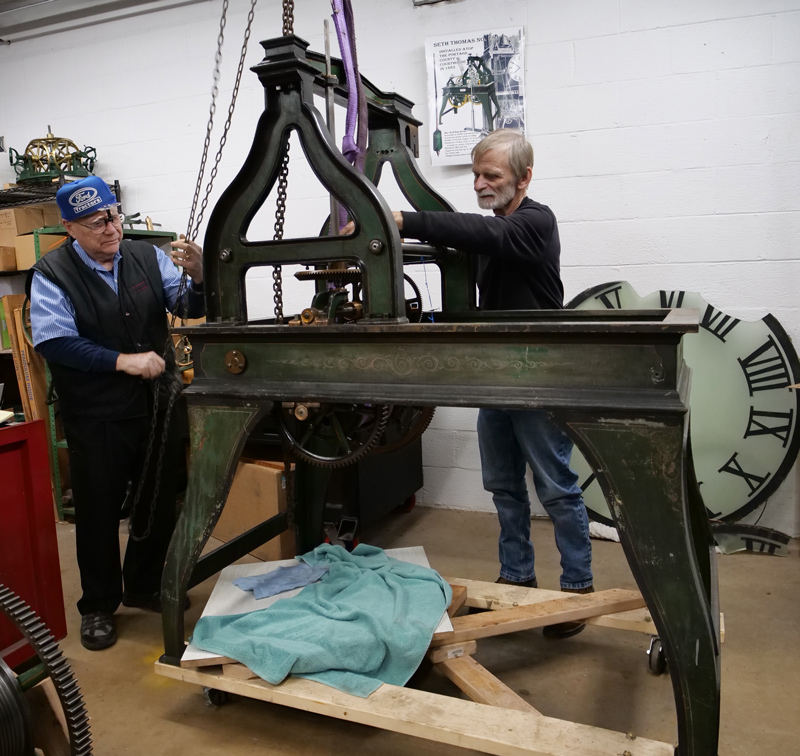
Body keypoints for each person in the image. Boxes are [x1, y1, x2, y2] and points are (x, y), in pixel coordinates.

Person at [393, 129, 593, 638]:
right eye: (476, 175)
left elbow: (488, 235)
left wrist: (404, 219)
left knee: (557, 488)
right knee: (503, 486)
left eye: (492, 175)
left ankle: (578, 589)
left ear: (524, 178)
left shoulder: (536, 222)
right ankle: (517, 577)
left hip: (538, 376)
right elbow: (473, 236)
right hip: (497, 376)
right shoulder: (493, 228)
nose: (480, 184)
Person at [27, 176, 205, 651]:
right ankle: (99, 604)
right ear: (69, 228)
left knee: (157, 501)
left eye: (113, 216)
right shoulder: (52, 273)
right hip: (97, 414)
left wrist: (199, 277)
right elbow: (54, 341)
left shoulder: (146, 257)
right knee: (98, 510)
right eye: (95, 223)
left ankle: (143, 584)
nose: (110, 229)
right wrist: (122, 361)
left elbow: (185, 304)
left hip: (156, 405)